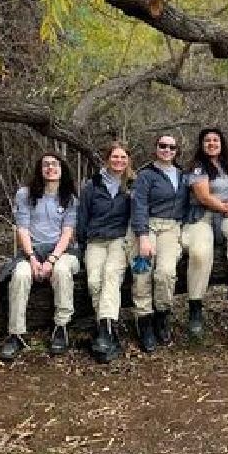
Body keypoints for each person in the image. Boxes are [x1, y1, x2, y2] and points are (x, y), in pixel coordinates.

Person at [0, 152, 80, 361]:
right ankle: (16, 333)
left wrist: (52, 259)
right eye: (46, 165)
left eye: (55, 164)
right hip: (31, 251)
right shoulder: (25, 194)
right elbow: (22, 230)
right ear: (40, 169)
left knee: (62, 271)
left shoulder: (70, 198)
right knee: (20, 275)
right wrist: (33, 258)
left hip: (61, 252)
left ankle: (61, 328)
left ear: (62, 170)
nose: (50, 168)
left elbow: (67, 233)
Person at [181, 127, 228, 338]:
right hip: (202, 217)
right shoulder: (197, 168)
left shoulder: (227, 166)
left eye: (215, 140)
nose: (212, 143)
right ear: (202, 145)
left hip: (227, 215)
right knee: (201, 254)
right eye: (207, 141)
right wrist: (225, 207)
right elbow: (203, 196)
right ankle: (195, 307)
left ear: (222, 143)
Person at [130, 134, 190, 352]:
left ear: (176, 151)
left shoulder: (183, 175)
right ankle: (144, 320)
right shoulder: (145, 175)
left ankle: (162, 315)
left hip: (171, 227)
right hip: (147, 227)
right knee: (142, 272)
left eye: (172, 147)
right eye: (163, 146)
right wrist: (142, 235)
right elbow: (139, 205)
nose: (167, 150)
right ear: (156, 148)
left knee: (165, 272)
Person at [76, 141, 134, 363]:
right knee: (93, 281)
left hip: (119, 240)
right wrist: (81, 245)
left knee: (111, 274)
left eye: (123, 157)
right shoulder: (92, 186)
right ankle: (107, 328)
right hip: (95, 241)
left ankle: (105, 331)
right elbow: (83, 217)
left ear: (128, 160)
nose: (118, 161)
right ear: (107, 159)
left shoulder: (131, 185)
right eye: (115, 157)